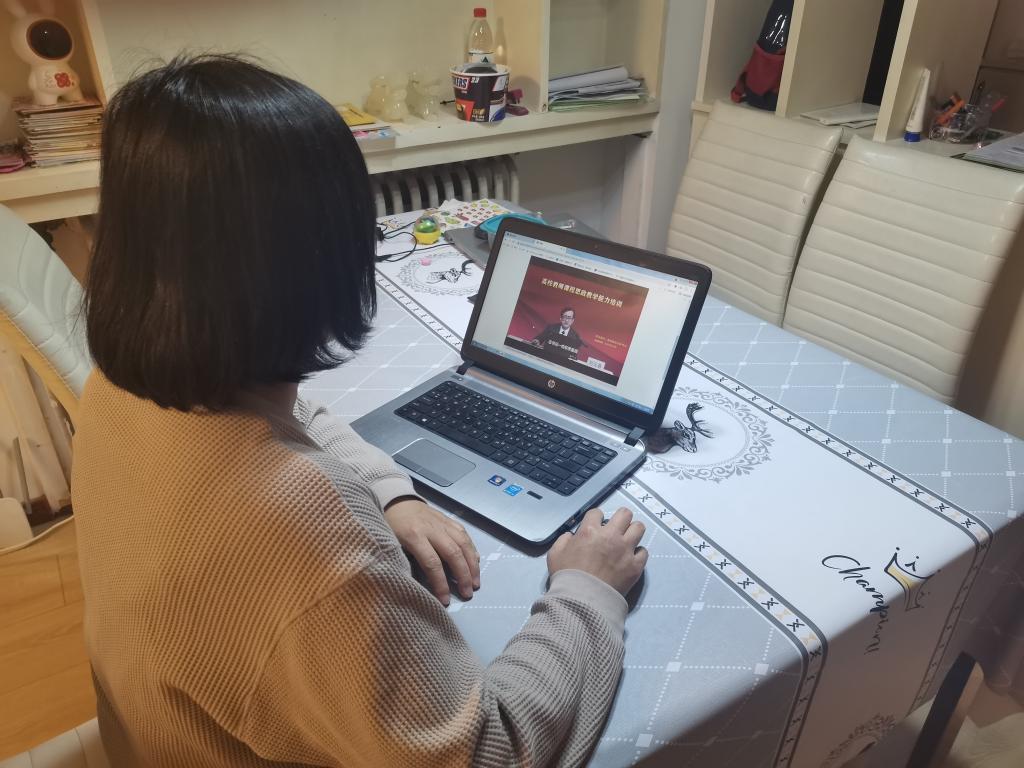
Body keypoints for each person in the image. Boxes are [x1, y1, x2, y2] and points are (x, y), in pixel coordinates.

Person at [72, 55, 648, 768]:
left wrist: (388, 490)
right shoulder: (296, 523)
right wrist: (587, 589)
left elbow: (298, 414)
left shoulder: (119, 388)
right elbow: (487, 751)